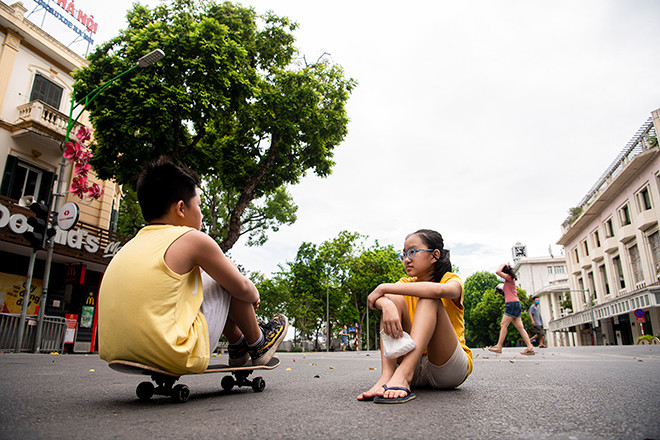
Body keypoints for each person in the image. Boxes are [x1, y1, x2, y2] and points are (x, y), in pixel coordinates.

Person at [98, 158, 288, 374]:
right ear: (181, 208)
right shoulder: (192, 239)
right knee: (226, 270)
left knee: (205, 280)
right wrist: (252, 295)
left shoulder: (130, 246)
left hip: (116, 351)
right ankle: (258, 342)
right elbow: (242, 288)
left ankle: (239, 343)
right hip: (175, 351)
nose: (201, 214)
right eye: (198, 206)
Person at [357, 229, 473, 404]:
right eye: (403, 254)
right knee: (393, 298)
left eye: (412, 252)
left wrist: (383, 289)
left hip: (446, 368)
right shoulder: (404, 284)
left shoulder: (450, 279)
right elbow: (374, 300)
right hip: (413, 361)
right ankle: (387, 376)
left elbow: (441, 291)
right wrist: (386, 303)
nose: (406, 259)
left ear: (434, 255)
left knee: (429, 297)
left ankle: (404, 374)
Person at [488, 264, 535, 355]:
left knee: (503, 324)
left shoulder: (509, 278)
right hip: (515, 304)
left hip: (512, 304)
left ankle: (499, 346)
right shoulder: (509, 280)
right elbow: (507, 293)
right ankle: (530, 347)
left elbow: (497, 271)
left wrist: (503, 265)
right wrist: (500, 291)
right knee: (520, 327)